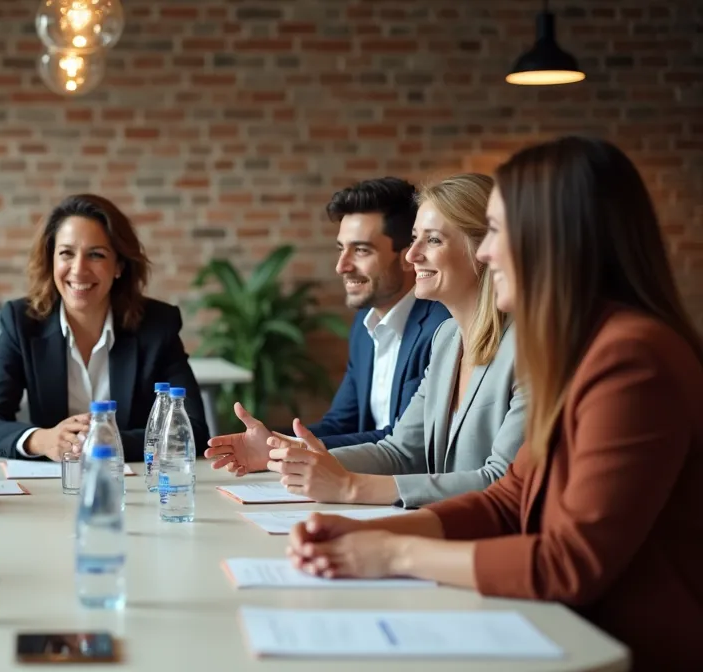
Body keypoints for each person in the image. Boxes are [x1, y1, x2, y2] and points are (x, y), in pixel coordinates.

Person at [284, 137, 703, 670]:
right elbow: (508, 499)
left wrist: (392, 553)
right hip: (559, 630)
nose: (483, 250)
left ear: (555, 239)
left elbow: (569, 562)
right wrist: (371, 532)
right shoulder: (583, 345)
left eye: (497, 231)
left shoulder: (632, 358)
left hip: (621, 649)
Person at [207, 174, 524, 509]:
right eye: (415, 238)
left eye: (432, 241)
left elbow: (502, 482)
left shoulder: (528, 348)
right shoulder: (447, 340)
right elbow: (400, 451)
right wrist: (282, 450)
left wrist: (350, 488)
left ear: (484, 249)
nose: (412, 255)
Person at [0, 194, 210, 462]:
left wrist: (103, 440)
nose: (78, 269)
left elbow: (193, 430)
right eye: (66, 253)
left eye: (96, 255)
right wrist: (44, 439)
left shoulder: (157, 326)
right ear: (51, 260)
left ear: (119, 265)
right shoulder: (22, 321)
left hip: (133, 488)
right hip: (51, 486)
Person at [292, 177, 451, 448]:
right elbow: (341, 424)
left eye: (361, 250)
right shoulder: (364, 325)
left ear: (407, 256)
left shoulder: (442, 328)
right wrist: (272, 442)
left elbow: (405, 443)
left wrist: (289, 447)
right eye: (342, 249)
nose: (342, 266)